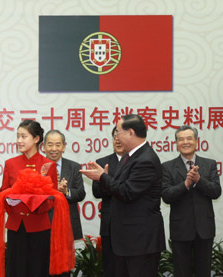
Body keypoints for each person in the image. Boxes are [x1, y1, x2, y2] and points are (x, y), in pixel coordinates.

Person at [0, 120, 74, 277]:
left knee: (39, 269)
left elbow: (52, 199)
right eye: (18, 136)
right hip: (16, 226)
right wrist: (12, 202)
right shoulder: (11, 164)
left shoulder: (48, 165)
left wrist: (34, 203)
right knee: (16, 269)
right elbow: (3, 192)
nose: (19, 141)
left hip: (39, 227)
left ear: (36, 139)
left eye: (23, 136)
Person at [80, 114, 165, 277]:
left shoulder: (146, 159)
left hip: (140, 241)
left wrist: (102, 177)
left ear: (131, 133)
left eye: (118, 132)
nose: (116, 137)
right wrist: (104, 177)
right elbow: (117, 187)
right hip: (127, 241)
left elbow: (127, 192)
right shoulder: (129, 156)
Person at [161, 125, 221, 276]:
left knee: (203, 271)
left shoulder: (210, 164)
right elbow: (166, 196)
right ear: (176, 143)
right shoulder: (167, 167)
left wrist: (199, 180)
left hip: (204, 229)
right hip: (181, 229)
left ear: (196, 141)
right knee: (182, 272)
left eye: (189, 138)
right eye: (181, 139)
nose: (185, 142)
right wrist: (186, 184)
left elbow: (216, 192)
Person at [92, 126, 125, 277]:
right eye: (115, 136)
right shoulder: (102, 162)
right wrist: (104, 181)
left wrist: (108, 182)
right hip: (109, 222)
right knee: (110, 266)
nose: (118, 139)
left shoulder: (138, 162)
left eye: (121, 136)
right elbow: (97, 192)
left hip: (131, 223)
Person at [44, 129, 85, 241]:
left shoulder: (74, 167)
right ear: (43, 147)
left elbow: (81, 193)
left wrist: (66, 192)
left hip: (68, 222)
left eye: (58, 145)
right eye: (50, 144)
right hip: (44, 223)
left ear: (63, 147)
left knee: (67, 258)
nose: (54, 149)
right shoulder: (38, 168)